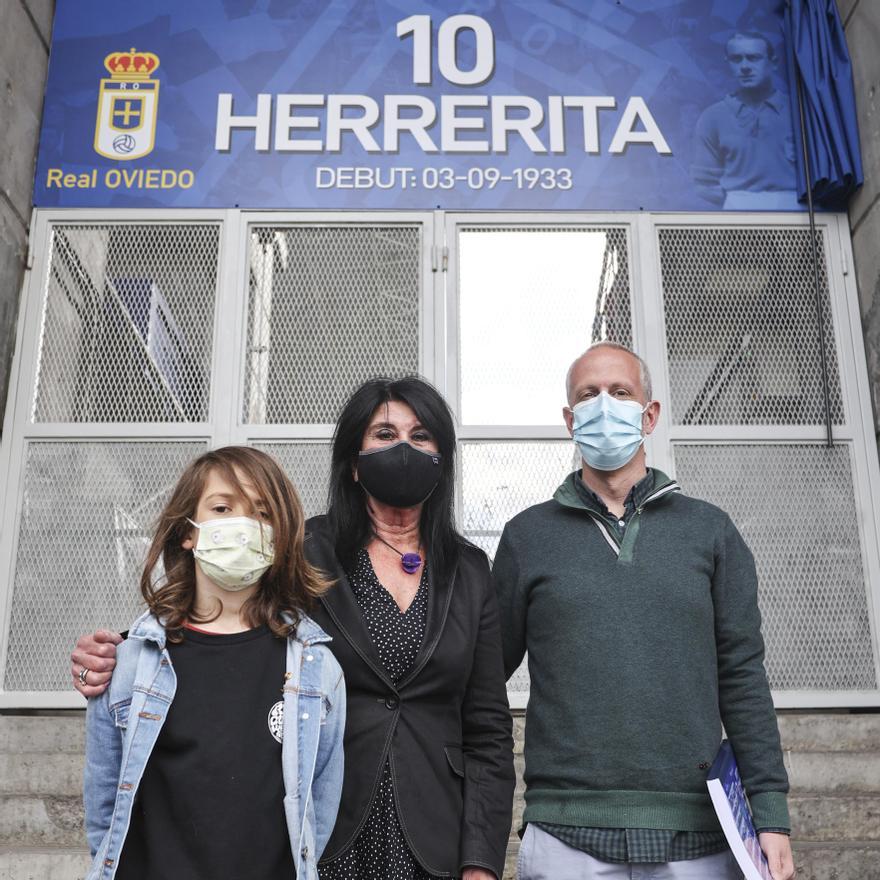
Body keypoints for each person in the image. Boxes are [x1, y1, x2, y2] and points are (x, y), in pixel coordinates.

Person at [73, 376, 515, 880]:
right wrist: (119, 656)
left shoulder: (470, 568)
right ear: (354, 460)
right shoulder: (305, 550)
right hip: (321, 827)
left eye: (420, 437)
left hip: (434, 829)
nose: (403, 449)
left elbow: (487, 729)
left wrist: (480, 860)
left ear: (442, 459)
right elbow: (222, 620)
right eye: (384, 434)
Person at [493, 342, 795, 880]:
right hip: (565, 832)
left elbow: (743, 675)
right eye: (588, 395)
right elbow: (484, 675)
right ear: (569, 420)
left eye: (620, 392)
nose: (604, 405)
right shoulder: (526, 538)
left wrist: (769, 813)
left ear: (649, 414)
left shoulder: (711, 532)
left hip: (699, 835)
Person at [82, 446, 345, 880]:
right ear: (188, 530)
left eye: (263, 513)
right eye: (222, 507)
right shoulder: (129, 664)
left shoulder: (318, 671)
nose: (242, 525)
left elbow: (319, 809)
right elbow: (105, 808)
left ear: (280, 537)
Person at [691, 31, 798, 209]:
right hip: (740, 217)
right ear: (728, 64)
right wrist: (736, 202)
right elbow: (704, 184)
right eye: (736, 59)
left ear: (774, 62)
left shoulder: (797, 112)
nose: (745, 66)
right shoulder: (713, 117)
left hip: (797, 211)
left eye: (754, 58)